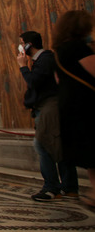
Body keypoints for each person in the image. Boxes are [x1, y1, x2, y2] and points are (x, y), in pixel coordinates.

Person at [18, 31, 78, 201]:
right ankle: (70, 187)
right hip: (48, 107)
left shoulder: (45, 59)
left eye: (22, 43)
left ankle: (52, 187)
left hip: (49, 108)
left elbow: (34, 82)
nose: (21, 47)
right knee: (58, 145)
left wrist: (23, 66)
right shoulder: (44, 59)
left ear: (29, 45)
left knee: (43, 145)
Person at [53, 10, 95, 208]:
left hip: (68, 105)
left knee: (90, 154)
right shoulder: (79, 48)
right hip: (87, 104)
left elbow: (58, 80)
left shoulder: (59, 51)